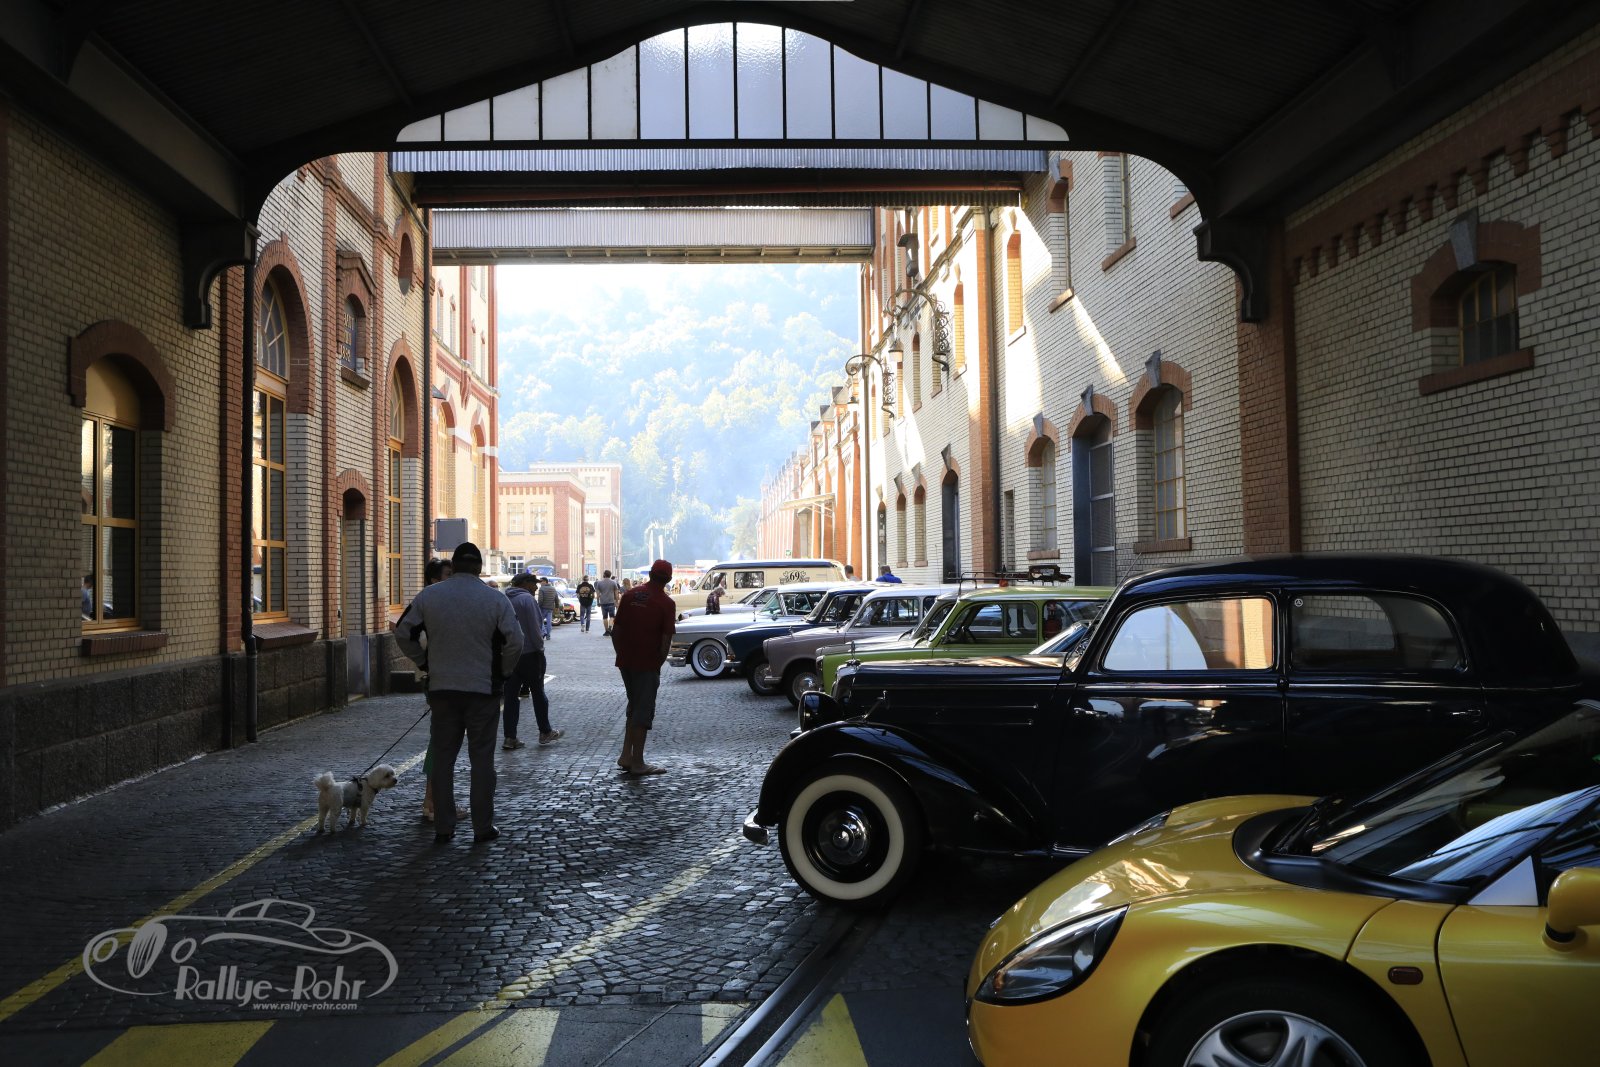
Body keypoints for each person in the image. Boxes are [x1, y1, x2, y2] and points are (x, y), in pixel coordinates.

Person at [396, 542, 522, 845]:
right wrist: (503, 671)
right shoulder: (495, 599)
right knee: (482, 760)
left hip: (442, 689)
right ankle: (482, 827)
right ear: (479, 568)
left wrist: (424, 662)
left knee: (442, 759)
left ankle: (444, 825)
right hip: (482, 690)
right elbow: (515, 641)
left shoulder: (429, 596)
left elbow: (403, 632)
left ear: (453, 566)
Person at [610, 559, 676, 776]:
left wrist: (621, 654)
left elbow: (616, 631)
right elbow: (666, 640)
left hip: (626, 660)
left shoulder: (629, 596)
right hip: (647, 662)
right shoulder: (666, 603)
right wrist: (657, 663)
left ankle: (625, 755)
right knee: (643, 711)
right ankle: (637, 762)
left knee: (634, 705)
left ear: (649, 574)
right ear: (668, 579)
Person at [414, 559, 466, 825]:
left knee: (440, 742)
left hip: (440, 680)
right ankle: (437, 804)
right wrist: (426, 664)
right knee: (442, 744)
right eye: (448, 574)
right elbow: (412, 636)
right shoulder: (429, 603)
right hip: (440, 681)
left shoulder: (434, 601)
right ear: (434, 580)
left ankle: (431, 801)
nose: (452, 579)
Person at [503, 573, 563, 749]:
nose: (536, 587)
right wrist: (540, 648)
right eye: (533, 584)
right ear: (525, 583)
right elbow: (535, 626)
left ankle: (510, 737)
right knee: (538, 693)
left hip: (509, 655)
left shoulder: (504, 598)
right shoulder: (527, 600)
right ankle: (545, 731)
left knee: (510, 697)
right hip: (529, 653)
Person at [593, 569, 621, 634]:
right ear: (610, 575)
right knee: (612, 616)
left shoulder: (599, 583)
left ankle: (606, 631)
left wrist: (598, 602)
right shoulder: (613, 582)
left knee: (604, 617)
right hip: (611, 601)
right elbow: (616, 593)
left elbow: (598, 594)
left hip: (603, 602)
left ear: (604, 575)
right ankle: (610, 627)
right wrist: (617, 601)